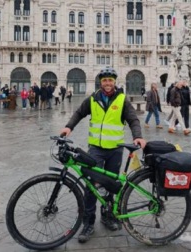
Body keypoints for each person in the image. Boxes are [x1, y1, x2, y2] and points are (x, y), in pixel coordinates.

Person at [59, 67, 146, 244]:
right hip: (96, 149)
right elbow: (79, 113)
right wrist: (69, 127)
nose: (107, 83)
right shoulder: (93, 99)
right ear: (101, 82)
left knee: (110, 186)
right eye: (105, 80)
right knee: (91, 186)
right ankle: (88, 223)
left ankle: (107, 216)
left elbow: (133, 120)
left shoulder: (122, 100)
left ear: (115, 82)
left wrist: (137, 136)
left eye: (110, 80)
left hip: (115, 149)